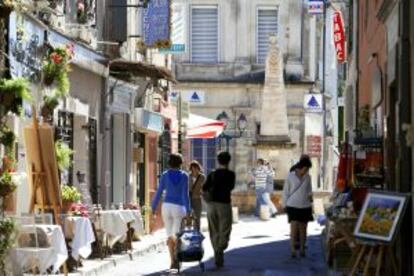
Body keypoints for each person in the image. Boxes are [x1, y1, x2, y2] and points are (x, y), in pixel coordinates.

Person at [151, 153, 191, 270]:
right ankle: (177, 259)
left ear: (169, 163)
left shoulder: (164, 175)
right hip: (179, 207)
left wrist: (153, 208)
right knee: (178, 235)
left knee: (169, 235)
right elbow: (185, 195)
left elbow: (158, 192)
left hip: (166, 207)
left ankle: (172, 260)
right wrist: (188, 210)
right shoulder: (184, 176)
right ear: (181, 163)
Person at [202, 152, 235, 268]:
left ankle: (217, 252)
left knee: (214, 230)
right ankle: (220, 249)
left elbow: (204, 188)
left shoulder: (212, 174)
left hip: (211, 205)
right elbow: (231, 187)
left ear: (218, 161)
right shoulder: (231, 174)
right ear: (228, 161)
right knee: (225, 229)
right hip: (224, 204)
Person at [282, 157, 313, 258]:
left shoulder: (308, 177)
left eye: (307, 170)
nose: (306, 171)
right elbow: (285, 192)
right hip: (292, 205)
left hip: (305, 206)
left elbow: (309, 190)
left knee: (303, 229)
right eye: (306, 169)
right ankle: (293, 250)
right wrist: (284, 205)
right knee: (294, 228)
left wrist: (310, 198)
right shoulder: (290, 177)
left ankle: (302, 249)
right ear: (302, 167)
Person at [188, 160, 206, 230]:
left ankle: (197, 232)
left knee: (197, 217)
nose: (194, 170)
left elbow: (204, 188)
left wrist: (202, 192)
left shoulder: (202, 177)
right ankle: (189, 232)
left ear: (198, 168)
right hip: (189, 199)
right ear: (191, 169)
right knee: (188, 216)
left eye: (196, 168)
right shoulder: (188, 176)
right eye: (192, 169)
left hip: (197, 199)